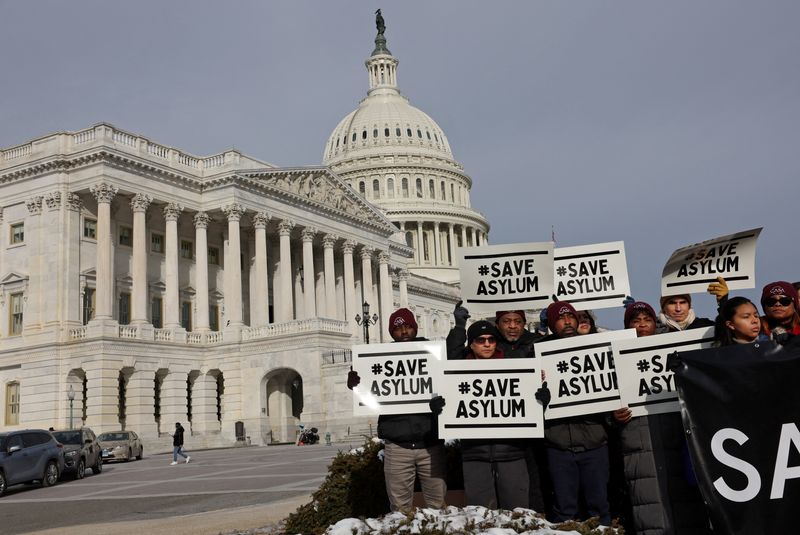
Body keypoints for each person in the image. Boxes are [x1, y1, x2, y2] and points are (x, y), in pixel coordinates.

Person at [613, 301, 712, 535]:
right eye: (635, 321)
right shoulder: (614, 356)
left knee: (686, 500)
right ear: (627, 326)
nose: (641, 325)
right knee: (649, 501)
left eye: (646, 320)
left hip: (675, 432)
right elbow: (604, 401)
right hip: (638, 440)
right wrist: (613, 417)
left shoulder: (674, 348)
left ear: (655, 323)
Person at [347, 308, 446, 512]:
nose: (404, 332)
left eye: (408, 327)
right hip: (397, 445)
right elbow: (369, 397)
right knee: (400, 510)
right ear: (392, 333)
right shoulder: (379, 360)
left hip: (430, 444)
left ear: (415, 328)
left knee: (438, 507)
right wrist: (356, 385)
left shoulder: (434, 355)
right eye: (398, 328)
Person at [433, 320, 530, 509]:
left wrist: (539, 398)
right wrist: (439, 407)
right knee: (481, 515)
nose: (487, 344)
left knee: (517, 513)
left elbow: (527, 406)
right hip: (474, 453)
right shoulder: (456, 372)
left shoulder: (514, 365)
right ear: (471, 344)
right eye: (480, 340)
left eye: (491, 339)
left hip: (511, 452)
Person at [539, 301, 611, 525]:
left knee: (599, 508)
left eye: (570, 317)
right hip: (558, 444)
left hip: (594, 441)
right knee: (564, 510)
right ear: (552, 324)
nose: (568, 322)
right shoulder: (537, 354)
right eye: (561, 319)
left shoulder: (596, 348)